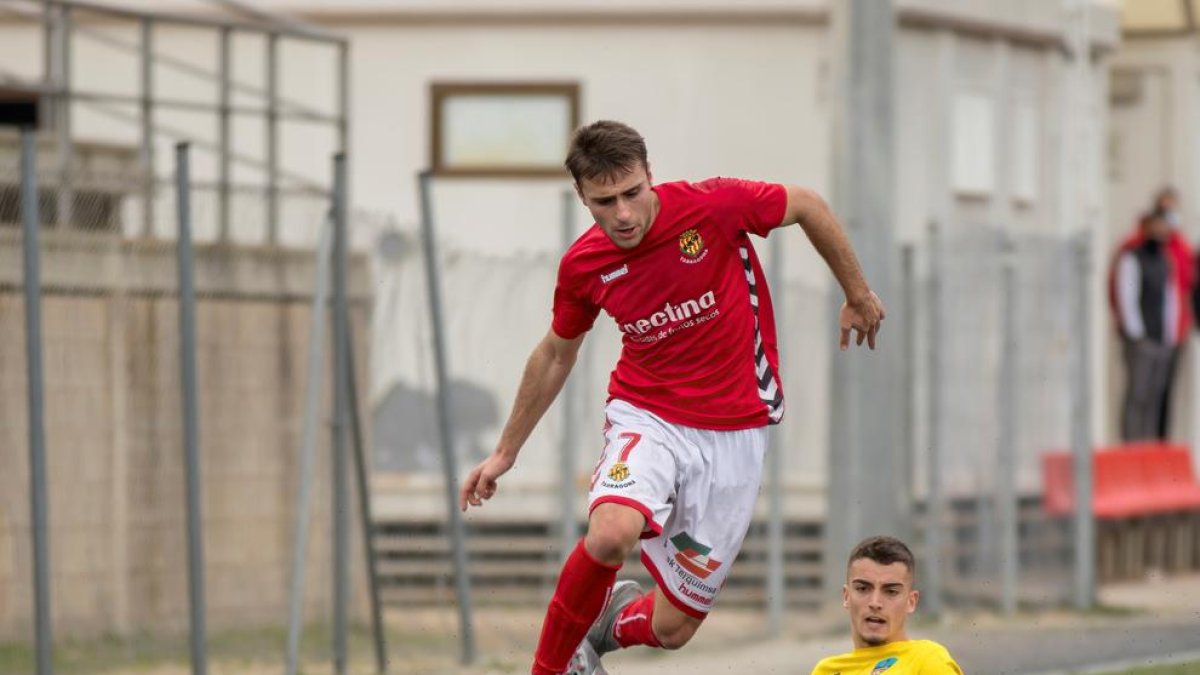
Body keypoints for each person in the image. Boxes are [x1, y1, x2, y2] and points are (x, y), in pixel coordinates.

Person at [458, 119, 885, 675]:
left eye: (633, 193)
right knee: (611, 532)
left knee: (672, 628)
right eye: (605, 201)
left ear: (650, 177)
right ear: (582, 198)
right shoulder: (584, 265)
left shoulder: (711, 207)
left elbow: (806, 204)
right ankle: (549, 668)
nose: (624, 214)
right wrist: (506, 451)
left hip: (735, 432)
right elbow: (556, 353)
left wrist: (857, 292)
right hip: (648, 415)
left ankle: (603, 626)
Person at [809, 536, 963, 675]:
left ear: (911, 602)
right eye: (863, 589)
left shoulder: (927, 660)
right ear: (847, 596)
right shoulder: (826, 670)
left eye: (891, 592)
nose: (875, 603)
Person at [1109, 208, 1184, 441]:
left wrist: (1170, 335)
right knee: (1138, 394)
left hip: (1162, 337)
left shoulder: (1165, 259)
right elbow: (1127, 296)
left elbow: (1170, 299)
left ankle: (1149, 446)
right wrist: (1137, 334)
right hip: (1141, 339)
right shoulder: (1132, 257)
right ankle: (1132, 445)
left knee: (1155, 396)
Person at [1149, 187, 1194, 439]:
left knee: (1167, 391)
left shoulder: (1181, 247)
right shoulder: (1143, 245)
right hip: (1149, 332)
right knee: (1146, 393)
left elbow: (1187, 285)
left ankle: (1162, 443)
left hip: (1175, 331)